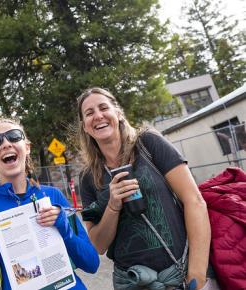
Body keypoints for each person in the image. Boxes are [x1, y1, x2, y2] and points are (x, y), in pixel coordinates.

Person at [76, 87, 217, 290]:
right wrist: (113, 206)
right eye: (89, 113)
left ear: (118, 113)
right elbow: (98, 245)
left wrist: (197, 275)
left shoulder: (148, 143)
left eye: (103, 108)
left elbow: (194, 201)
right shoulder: (88, 177)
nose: (98, 116)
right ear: (85, 127)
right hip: (133, 283)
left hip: (182, 274)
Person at [0, 118, 99, 290]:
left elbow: (91, 264)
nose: (6, 143)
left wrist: (64, 228)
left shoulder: (52, 195)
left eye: (14, 136)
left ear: (27, 147)